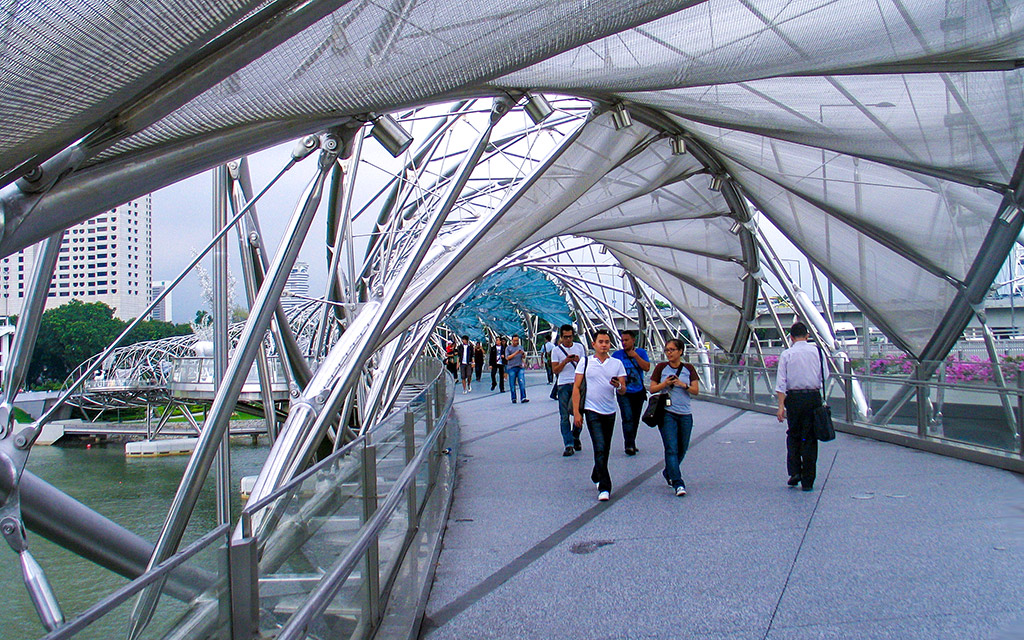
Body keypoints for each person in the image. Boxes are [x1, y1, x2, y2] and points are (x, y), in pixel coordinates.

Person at [774, 322, 829, 492]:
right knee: (810, 438)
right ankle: (808, 479)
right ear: (807, 336)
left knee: (794, 435)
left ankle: (795, 472)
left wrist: (781, 406)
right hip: (813, 397)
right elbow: (825, 375)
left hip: (794, 398)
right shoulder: (818, 352)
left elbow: (781, 382)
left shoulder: (787, 354)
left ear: (791, 338)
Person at [573, 329, 626, 501]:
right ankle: (605, 487)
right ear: (594, 344)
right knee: (600, 446)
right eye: (601, 342)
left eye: (607, 342)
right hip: (591, 410)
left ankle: (596, 474)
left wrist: (618, 385)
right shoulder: (585, 362)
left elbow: (623, 389)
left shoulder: (616, 363)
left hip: (610, 411)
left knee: (605, 448)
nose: (604, 345)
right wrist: (576, 413)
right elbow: (576, 387)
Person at [649, 339, 700, 496]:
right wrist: (664, 384)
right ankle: (678, 482)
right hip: (667, 413)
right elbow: (652, 388)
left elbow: (696, 390)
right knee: (671, 448)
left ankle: (668, 471)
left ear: (680, 351)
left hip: (685, 414)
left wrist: (681, 384)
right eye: (667, 350)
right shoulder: (661, 368)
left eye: (672, 350)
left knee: (682, 448)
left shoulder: (689, 369)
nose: (669, 353)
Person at [612, 329, 650, 456]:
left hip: (638, 391)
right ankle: (629, 444)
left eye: (626, 340)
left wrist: (636, 356)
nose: (624, 343)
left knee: (634, 418)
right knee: (627, 417)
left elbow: (646, 367)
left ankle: (632, 441)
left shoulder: (641, 352)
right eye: (622, 340)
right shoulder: (617, 355)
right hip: (623, 391)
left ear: (633, 340)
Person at [551, 324, 587, 456]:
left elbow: (585, 367)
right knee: (564, 416)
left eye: (570, 337)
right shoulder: (556, 351)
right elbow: (555, 370)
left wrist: (578, 362)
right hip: (563, 385)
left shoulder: (579, 347)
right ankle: (569, 444)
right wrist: (565, 361)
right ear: (561, 337)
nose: (568, 340)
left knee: (579, 413)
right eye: (565, 337)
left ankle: (575, 435)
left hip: (578, 384)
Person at [506, 335, 529, 403]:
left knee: (522, 382)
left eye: (517, 340)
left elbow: (523, 357)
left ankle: (523, 397)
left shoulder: (520, 347)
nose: (516, 342)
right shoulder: (508, 348)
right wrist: (516, 353)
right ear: (512, 341)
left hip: (520, 367)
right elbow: (507, 358)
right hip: (511, 367)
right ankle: (513, 398)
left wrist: (522, 354)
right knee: (512, 384)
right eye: (515, 340)